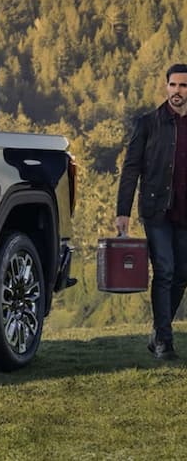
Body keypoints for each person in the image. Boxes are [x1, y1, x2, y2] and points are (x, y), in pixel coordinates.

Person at [116, 62, 187, 360]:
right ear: (166, 86)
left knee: (182, 274)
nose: (177, 91)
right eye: (173, 85)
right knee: (165, 271)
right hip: (156, 209)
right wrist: (123, 211)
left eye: (183, 86)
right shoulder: (148, 123)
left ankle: (158, 330)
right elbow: (131, 169)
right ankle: (164, 343)